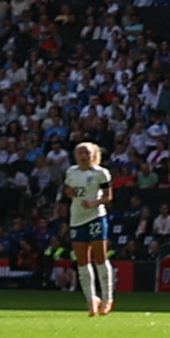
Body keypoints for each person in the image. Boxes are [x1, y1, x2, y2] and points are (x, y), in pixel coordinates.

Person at [61, 133, 118, 319]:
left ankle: (108, 298)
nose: (83, 156)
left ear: (93, 155)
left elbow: (108, 196)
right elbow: (69, 191)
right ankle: (91, 298)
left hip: (95, 216)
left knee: (100, 258)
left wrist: (94, 203)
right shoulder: (71, 172)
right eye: (80, 152)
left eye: (86, 152)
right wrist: (70, 193)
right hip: (77, 218)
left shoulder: (101, 173)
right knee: (82, 261)